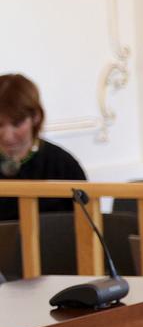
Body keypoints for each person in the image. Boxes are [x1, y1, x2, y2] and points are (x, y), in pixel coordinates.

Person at [0, 73, 86, 220]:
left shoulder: (63, 165)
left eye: (17, 124)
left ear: (35, 117)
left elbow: (86, 224)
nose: (7, 136)